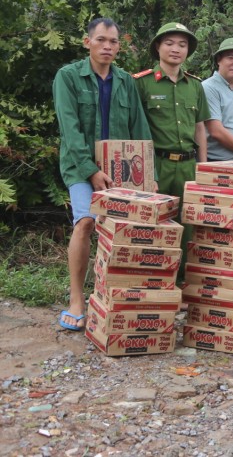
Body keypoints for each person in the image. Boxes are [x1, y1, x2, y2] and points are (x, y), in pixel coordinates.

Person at [53, 18, 152, 330]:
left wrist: (149, 175)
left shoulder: (126, 81)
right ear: (87, 42)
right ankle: (76, 300)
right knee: (86, 222)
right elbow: (69, 130)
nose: (107, 46)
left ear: (119, 46)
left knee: (123, 228)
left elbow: (140, 128)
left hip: (121, 167)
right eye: (100, 40)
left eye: (112, 41)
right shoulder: (68, 77)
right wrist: (91, 171)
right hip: (81, 166)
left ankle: (113, 297)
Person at [135, 22, 211, 200]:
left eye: (182, 45)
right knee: (154, 222)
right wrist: (146, 171)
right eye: (169, 44)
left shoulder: (195, 85)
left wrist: (203, 168)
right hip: (157, 166)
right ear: (158, 46)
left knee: (188, 223)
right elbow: (134, 128)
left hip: (188, 167)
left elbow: (199, 128)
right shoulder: (141, 83)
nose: (176, 49)